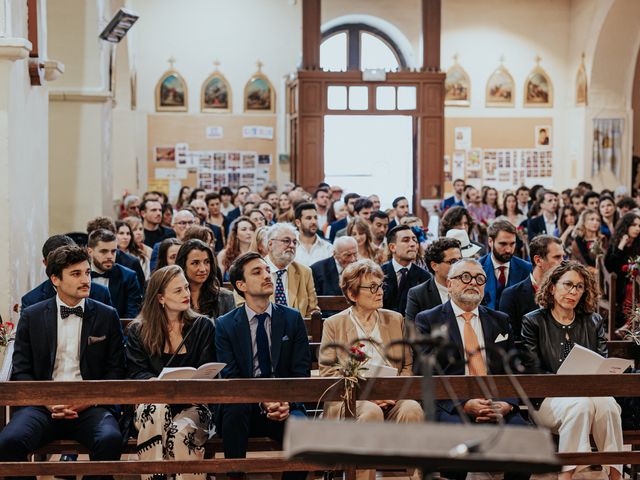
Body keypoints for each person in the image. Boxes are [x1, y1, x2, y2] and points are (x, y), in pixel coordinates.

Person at [0, 246, 126, 473]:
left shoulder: (107, 315)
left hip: (91, 406)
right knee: (9, 441)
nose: (85, 279)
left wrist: (87, 400)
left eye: (87, 273)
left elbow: (115, 370)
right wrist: (47, 401)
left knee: (109, 439)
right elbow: (22, 371)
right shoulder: (33, 316)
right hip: (41, 406)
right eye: (76, 274)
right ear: (55, 279)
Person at [414, 258, 529, 480]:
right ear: (449, 284)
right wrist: (463, 404)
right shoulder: (429, 320)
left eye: (480, 279)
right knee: (458, 442)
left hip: (497, 401)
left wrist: (507, 403)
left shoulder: (500, 321)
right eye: (465, 277)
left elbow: (512, 370)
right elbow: (425, 371)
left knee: (524, 440)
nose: (473, 283)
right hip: (450, 406)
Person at [319, 259, 423, 480]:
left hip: (391, 397)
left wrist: (393, 393)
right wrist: (367, 395)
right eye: (372, 287)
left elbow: (406, 365)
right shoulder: (334, 324)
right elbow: (328, 373)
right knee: (371, 412)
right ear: (353, 293)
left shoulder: (395, 319)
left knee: (412, 408)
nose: (379, 292)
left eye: (380, 286)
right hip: (349, 402)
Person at [522, 261, 624, 480]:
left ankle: (615, 474)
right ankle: (566, 475)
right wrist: (567, 385)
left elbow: (601, 361)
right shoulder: (534, 321)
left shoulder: (593, 321)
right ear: (552, 287)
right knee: (581, 405)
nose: (573, 292)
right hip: (547, 399)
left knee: (608, 405)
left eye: (579, 287)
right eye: (567, 284)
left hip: (589, 394)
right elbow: (534, 371)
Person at [215, 252, 310, 480]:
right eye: (257, 272)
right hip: (245, 405)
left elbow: (301, 372)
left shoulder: (292, 318)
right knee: (234, 410)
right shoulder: (225, 325)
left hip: (285, 403)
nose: (267, 275)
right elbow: (231, 377)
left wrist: (286, 403)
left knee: (304, 430)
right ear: (241, 285)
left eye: (266, 270)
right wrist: (262, 400)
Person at [126, 265, 216, 479]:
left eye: (186, 288)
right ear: (160, 298)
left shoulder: (202, 326)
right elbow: (137, 372)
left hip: (193, 403)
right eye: (178, 291)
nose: (186, 294)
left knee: (179, 432)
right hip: (153, 401)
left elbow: (208, 367)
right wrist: (160, 386)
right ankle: (154, 476)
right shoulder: (138, 331)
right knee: (155, 409)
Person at [21, 234, 112, 311]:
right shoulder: (32, 301)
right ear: (46, 263)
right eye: (58, 261)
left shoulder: (101, 294)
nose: (85, 281)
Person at [499, 235, 564, 341]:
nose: (563, 262)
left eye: (563, 257)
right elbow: (510, 341)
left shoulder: (567, 292)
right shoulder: (511, 295)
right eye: (557, 257)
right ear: (538, 260)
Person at [261, 223, 319, 316]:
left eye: (295, 242)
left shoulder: (305, 272)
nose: (292, 245)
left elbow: (312, 310)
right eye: (286, 241)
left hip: (297, 328)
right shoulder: (254, 270)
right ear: (270, 244)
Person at [88, 229, 143, 319]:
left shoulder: (129, 277)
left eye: (113, 251)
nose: (110, 256)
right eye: (104, 251)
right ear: (90, 252)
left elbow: (131, 316)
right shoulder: (79, 276)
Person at [405, 237, 462, 323]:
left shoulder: (469, 287)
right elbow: (412, 331)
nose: (459, 266)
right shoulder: (418, 294)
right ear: (434, 266)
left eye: (460, 260)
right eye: (452, 261)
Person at [175, 239, 235, 319]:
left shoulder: (225, 298)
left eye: (207, 262)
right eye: (195, 263)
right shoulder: (173, 298)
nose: (203, 269)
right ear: (183, 265)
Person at [479, 220, 532, 309]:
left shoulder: (526, 268)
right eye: (503, 244)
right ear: (490, 241)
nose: (508, 250)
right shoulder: (478, 268)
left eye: (512, 244)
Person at [381, 225, 430, 315]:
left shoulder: (425, 277)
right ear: (392, 247)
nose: (412, 244)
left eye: (414, 240)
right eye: (406, 240)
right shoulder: (379, 273)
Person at [605, 212, 640, 333]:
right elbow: (610, 266)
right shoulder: (617, 242)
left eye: (639, 226)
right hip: (620, 284)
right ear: (626, 226)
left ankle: (628, 328)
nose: (637, 228)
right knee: (631, 288)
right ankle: (628, 326)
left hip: (636, 281)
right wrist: (621, 245)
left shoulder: (638, 244)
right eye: (634, 225)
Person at [294, 202, 333, 267]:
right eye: (309, 218)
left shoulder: (328, 248)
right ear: (298, 223)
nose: (314, 221)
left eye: (315, 218)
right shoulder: (291, 247)